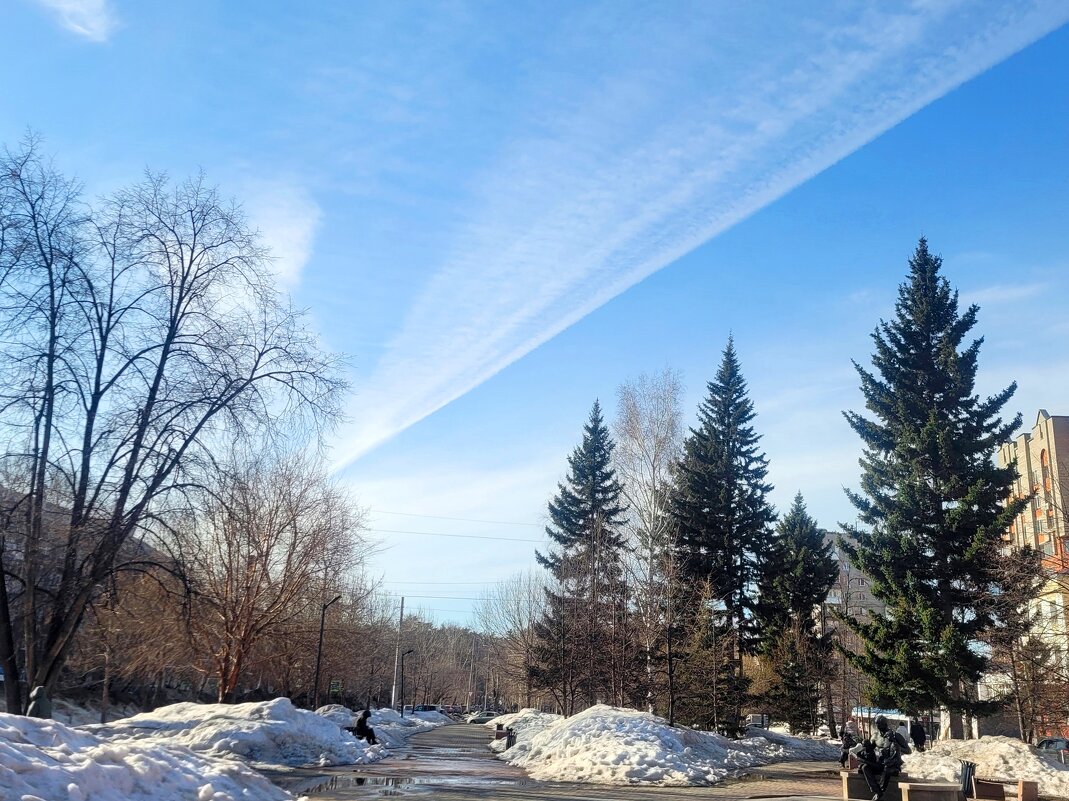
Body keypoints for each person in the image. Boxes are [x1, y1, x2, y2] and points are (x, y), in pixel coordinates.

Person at [851, 714, 911, 801]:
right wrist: (862, 749)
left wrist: (896, 744)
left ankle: (881, 792)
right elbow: (869, 748)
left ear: (885, 724)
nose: (878, 726)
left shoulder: (895, 735)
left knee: (887, 769)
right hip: (879, 763)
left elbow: (908, 750)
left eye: (880, 724)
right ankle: (877, 791)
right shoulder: (875, 736)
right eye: (877, 724)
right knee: (865, 767)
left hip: (891, 764)